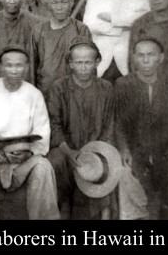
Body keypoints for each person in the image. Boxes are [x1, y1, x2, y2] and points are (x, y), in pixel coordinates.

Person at [114, 38, 168, 219]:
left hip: (164, 151)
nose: (146, 60)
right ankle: (138, 215)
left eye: (151, 55)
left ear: (160, 58)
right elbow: (119, 123)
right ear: (134, 58)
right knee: (123, 172)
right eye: (141, 55)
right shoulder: (123, 84)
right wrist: (123, 149)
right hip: (136, 151)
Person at [0, 47, 59, 220]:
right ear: (0, 67)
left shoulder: (34, 94)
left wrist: (29, 153)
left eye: (19, 66)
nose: (13, 70)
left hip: (24, 156)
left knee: (44, 166)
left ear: (27, 67)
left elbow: (42, 131)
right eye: (8, 65)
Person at [45, 36, 115, 219]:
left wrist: (97, 152)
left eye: (88, 62)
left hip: (97, 148)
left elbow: (109, 125)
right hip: (67, 148)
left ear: (97, 62)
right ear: (70, 63)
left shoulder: (106, 88)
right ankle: (63, 212)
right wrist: (69, 152)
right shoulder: (59, 88)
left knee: (108, 166)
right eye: (79, 62)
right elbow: (55, 124)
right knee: (56, 162)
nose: (83, 67)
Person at [83, 0, 149, 83]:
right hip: (101, 63)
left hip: (128, 62)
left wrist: (112, 19)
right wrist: (125, 26)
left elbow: (143, 22)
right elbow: (89, 25)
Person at [29, 0, 91, 93]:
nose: (59, 7)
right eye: (54, 3)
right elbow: (32, 65)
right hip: (45, 90)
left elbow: (89, 63)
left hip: (73, 91)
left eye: (64, 2)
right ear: (48, 4)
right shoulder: (38, 30)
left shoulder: (81, 29)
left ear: (71, 3)